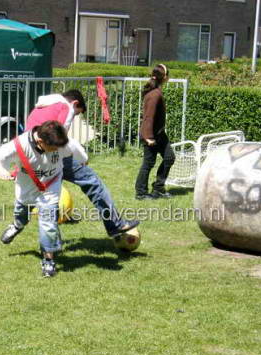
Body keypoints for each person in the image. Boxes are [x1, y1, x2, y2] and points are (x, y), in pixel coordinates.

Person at [25, 89, 139, 238]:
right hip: (52, 155)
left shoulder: (41, 106)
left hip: (32, 157)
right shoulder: (66, 107)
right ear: (75, 103)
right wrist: (82, 158)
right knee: (93, 183)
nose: (74, 117)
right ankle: (116, 225)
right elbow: (62, 141)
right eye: (77, 114)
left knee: (47, 193)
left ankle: (20, 223)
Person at [0, 120, 88, 278]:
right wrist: (0, 169)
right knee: (21, 213)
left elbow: (77, 150)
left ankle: (48, 260)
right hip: (26, 189)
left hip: (50, 186)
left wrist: (83, 159)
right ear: (41, 141)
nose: (58, 150)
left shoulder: (61, 142)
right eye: (54, 148)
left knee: (48, 223)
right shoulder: (19, 145)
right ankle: (17, 226)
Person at [135, 64, 176, 200]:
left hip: (159, 134)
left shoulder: (156, 91)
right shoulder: (155, 95)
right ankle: (141, 193)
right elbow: (148, 117)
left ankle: (158, 188)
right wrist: (148, 137)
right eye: (168, 75)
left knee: (169, 157)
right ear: (164, 77)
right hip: (150, 135)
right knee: (148, 163)